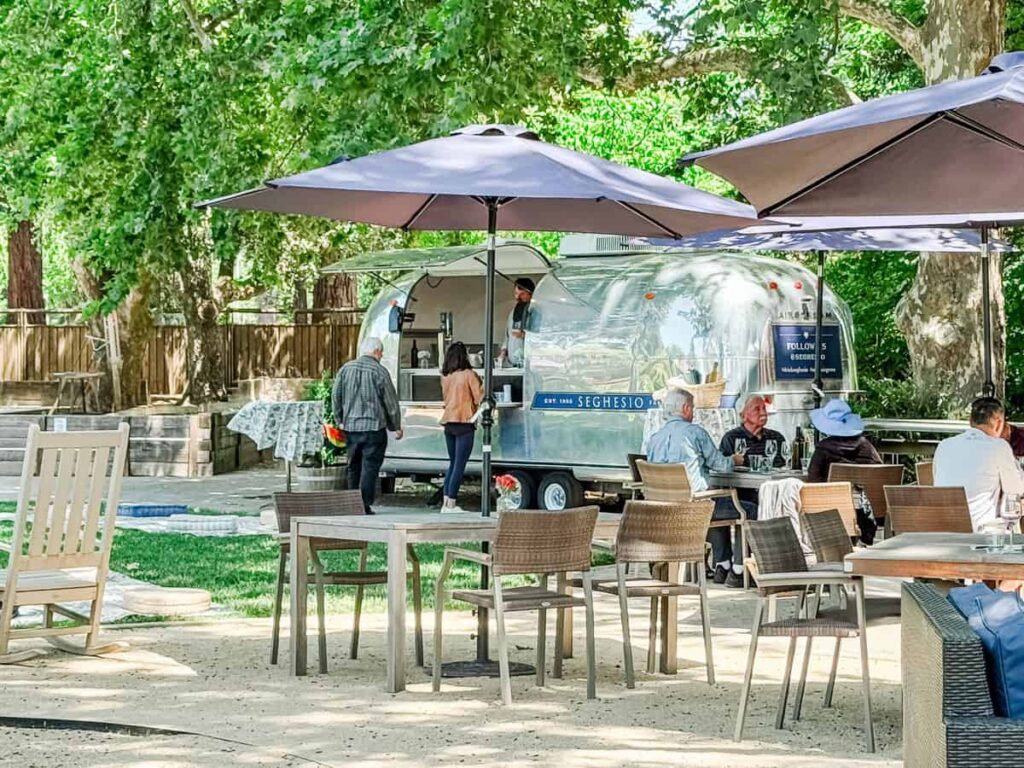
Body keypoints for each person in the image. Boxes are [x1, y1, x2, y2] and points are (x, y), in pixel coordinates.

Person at [647, 388, 755, 588]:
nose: (694, 412)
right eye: (693, 407)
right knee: (746, 508)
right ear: (686, 408)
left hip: (664, 510)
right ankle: (738, 570)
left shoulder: (654, 439)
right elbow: (720, 465)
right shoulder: (695, 433)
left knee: (716, 503)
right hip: (694, 508)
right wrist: (734, 459)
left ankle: (722, 564)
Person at [331, 336, 402, 513]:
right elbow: (390, 402)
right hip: (374, 428)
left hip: (351, 427)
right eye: (381, 352)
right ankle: (364, 504)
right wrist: (396, 426)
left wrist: (339, 419)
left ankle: (351, 502)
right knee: (370, 467)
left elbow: (336, 396)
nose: (382, 355)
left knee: (353, 466)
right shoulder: (379, 371)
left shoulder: (345, 369)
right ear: (377, 352)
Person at [934, 396, 1024, 531]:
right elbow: (1016, 490)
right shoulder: (998, 446)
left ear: (970, 422)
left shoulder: (944, 445)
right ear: (999, 423)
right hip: (982, 533)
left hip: (943, 530)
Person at [807, 399, 882, 544]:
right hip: (866, 516)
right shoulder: (867, 448)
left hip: (831, 516)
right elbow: (879, 478)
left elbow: (812, 484)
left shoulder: (824, 449)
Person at [439, 342, 482, 513]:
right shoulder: (469, 375)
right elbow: (479, 398)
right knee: (459, 465)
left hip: (448, 423)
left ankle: (445, 501)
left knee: (453, 463)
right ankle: (452, 503)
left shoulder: (446, 376)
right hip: (464, 421)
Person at [720, 395, 787, 468]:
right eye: (757, 409)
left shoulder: (776, 437)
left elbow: (783, 467)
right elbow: (722, 468)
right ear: (743, 416)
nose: (763, 413)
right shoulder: (731, 438)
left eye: (764, 408)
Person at [499, 277, 534, 367]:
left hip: (529, 365)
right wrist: (503, 351)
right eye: (516, 293)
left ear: (530, 294)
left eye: (522, 294)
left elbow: (542, 337)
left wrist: (525, 335)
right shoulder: (513, 312)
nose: (517, 297)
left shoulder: (536, 312)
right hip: (512, 364)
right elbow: (507, 336)